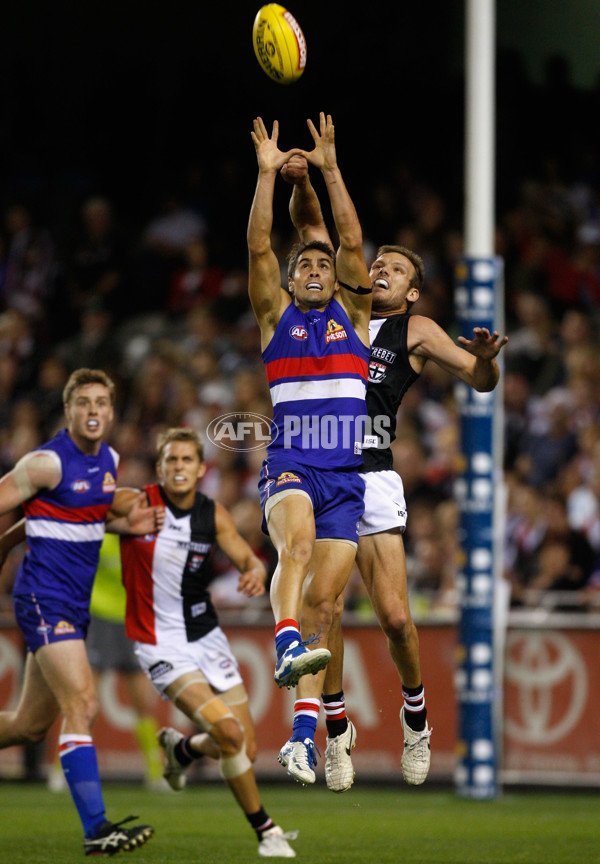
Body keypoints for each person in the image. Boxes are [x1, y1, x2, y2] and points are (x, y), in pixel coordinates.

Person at [281, 156, 508, 790]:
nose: (380, 270)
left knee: (395, 619)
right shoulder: (338, 307)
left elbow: (479, 381)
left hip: (375, 476)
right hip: (323, 470)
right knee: (322, 609)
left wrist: (485, 361)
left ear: (412, 292)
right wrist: (304, 182)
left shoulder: (412, 328)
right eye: (378, 262)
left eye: (396, 269)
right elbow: (314, 232)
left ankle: (416, 718)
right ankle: (335, 729)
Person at [247, 115, 372, 781]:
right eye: (308, 264)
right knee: (294, 549)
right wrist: (267, 175)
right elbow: (261, 248)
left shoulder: (356, 318)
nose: (319, 267)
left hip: (346, 477)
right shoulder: (277, 318)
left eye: (326, 263)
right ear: (293, 282)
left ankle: (303, 735)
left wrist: (330, 166)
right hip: (294, 462)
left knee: (327, 607)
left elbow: (350, 237)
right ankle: (283, 636)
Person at [0, 368, 163, 855]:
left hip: (73, 603)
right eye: (83, 403)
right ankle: (98, 829)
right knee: (84, 705)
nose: (93, 411)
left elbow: (76, 518)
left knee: (28, 726)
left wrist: (126, 526)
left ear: (110, 413)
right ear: (69, 411)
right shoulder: (47, 462)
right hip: (43, 598)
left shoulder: (109, 462)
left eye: (101, 404)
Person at [119, 427, 297, 858]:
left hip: (205, 636)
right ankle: (267, 831)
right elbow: (84, 513)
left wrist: (254, 572)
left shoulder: (211, 514)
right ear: (160, 467)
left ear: (201, 469)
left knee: (245, 747)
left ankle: (182, 749)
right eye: (171, 460)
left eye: (186, 461)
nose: (178, 467)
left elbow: (246, 556)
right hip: (159, 643)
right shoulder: (136, 503)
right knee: (229, 732)